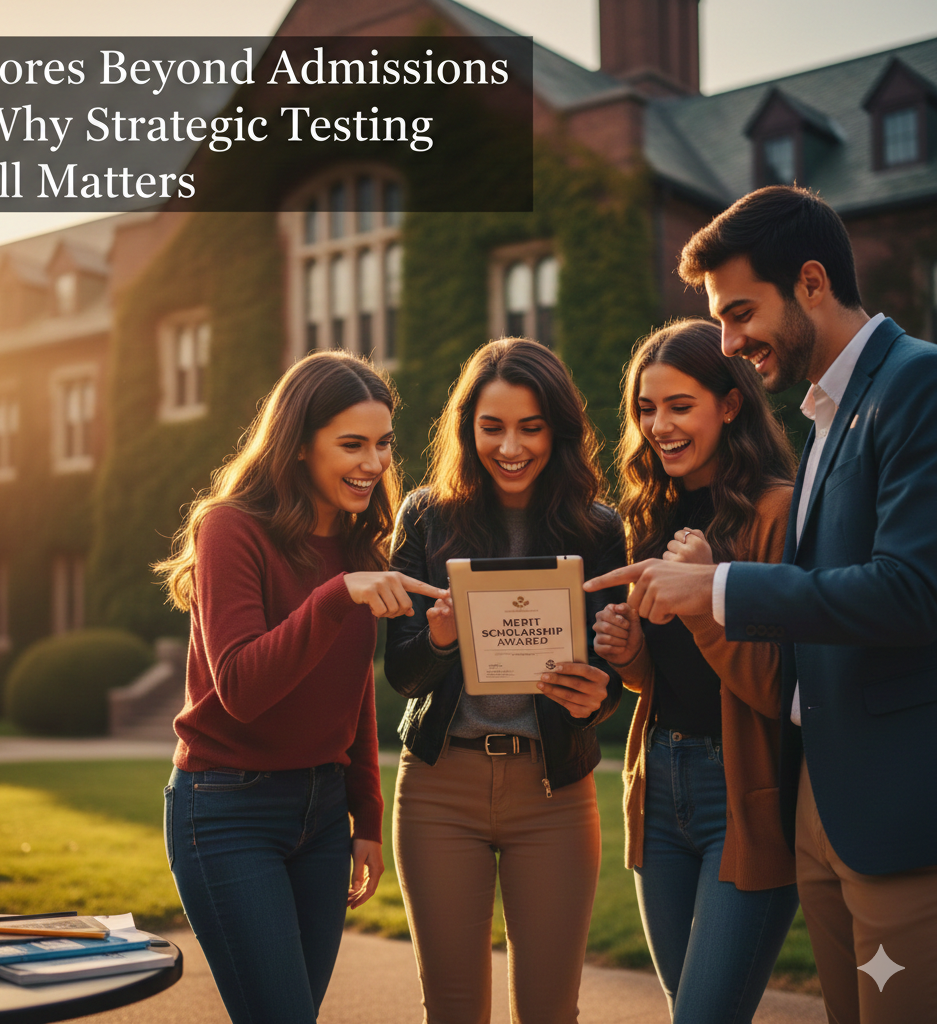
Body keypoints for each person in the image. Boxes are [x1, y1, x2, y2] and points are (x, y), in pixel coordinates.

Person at [586, 185, 937, 1024]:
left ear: (811, 282)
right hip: (823, 807)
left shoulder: (918, 382)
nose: (731, 341)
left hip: (892, 809)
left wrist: (718, 590)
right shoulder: (826, 415)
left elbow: (915, 589)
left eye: (741, 314)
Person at [155, 352, 446, 1024]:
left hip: (321, 818)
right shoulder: (230, 528)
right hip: (227, 810)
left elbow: (353, 694)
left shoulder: (361, 542)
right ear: (298, 446)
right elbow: (241, 688)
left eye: (382, 445)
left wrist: (365, 816)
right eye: (352, 445)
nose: (372, 464)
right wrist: (335, 597)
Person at [385, 338, 627, 1024]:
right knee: (454, 1011)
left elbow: (609, 670)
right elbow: (401, 671)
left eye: (531, 426)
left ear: (558, 428)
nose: (511, 446)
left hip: (554, 792)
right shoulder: (427, 515)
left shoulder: (598, 527)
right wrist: (436, 638)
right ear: (468, 429)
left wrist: (598, 692)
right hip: (439, 789)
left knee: (551, 1011)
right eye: (492, 428)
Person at [592, 318, 799, 1024]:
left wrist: (707, 597)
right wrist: (629, 656)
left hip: (741, 793)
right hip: (658, 786)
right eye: (646, 409)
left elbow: (779, 687)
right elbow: (666, 677)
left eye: (679, 406)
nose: (659, 426)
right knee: (690, 1008)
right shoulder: (648, 513)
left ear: (730, 403)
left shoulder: (778, 512)